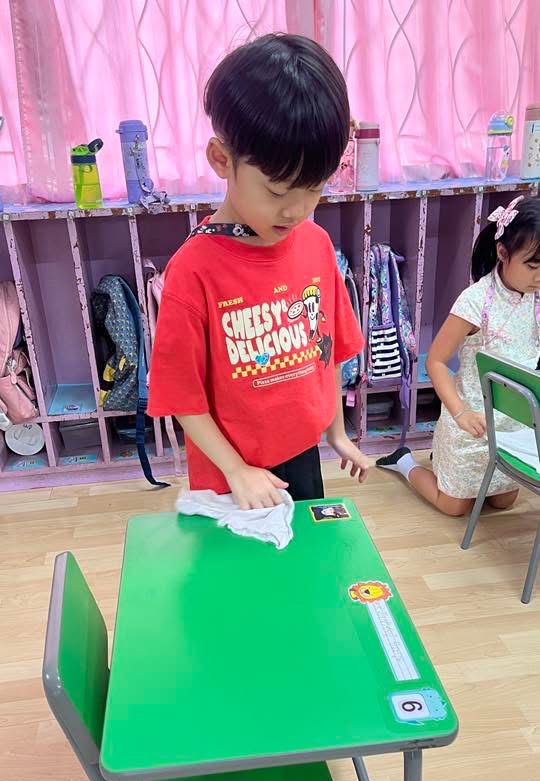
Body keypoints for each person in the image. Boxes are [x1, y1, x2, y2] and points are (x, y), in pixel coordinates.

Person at [148, 33, 369, 508]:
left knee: (305, 556)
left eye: (315, 189)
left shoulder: (316, 245)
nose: (296, 210)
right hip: (231, 474)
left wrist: (336, 432)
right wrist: (236, 470)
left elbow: (327, 351)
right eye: (278, 191)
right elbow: (182, 396)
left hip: (303, 456)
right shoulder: (193, 270)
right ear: (221, 160)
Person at [376, 195, 540, 516]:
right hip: (470, 421)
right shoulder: (476, 301)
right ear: (502, 252)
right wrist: (461, 413)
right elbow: (435, 361)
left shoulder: (535, 297)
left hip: (513, 423)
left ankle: (442, 460)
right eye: (533, 266)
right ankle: (404, 461)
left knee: (504, 501)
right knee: (454, 507)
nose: (539, 276)